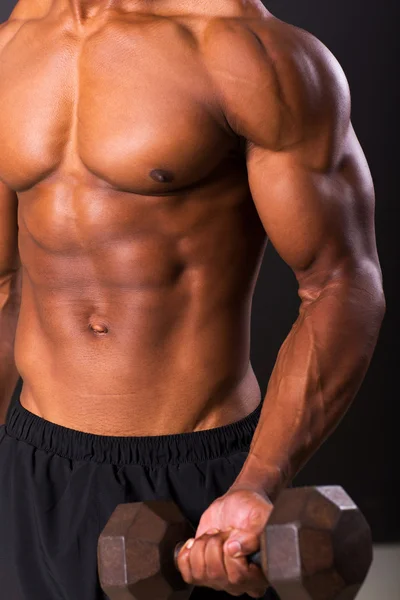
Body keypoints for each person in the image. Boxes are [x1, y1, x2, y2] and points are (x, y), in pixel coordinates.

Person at [0, 0, 385, 598]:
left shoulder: (243, 51)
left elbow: (341, 283)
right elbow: (3, 287)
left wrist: (258, 480)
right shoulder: (10, 47)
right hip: (30, 466)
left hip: (190, 484)